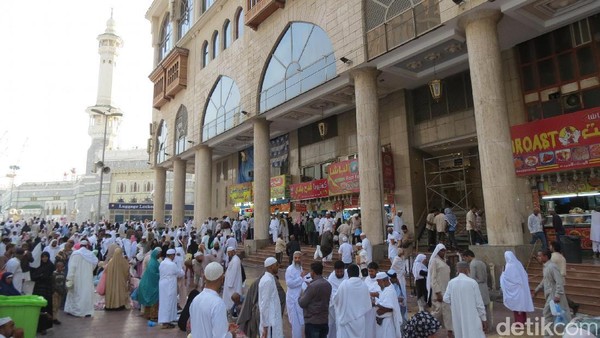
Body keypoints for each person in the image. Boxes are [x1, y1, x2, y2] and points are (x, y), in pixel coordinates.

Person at [189, 262, 238, 338]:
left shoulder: (196, 300)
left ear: (205, 278)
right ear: (222, 279)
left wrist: (225, 325)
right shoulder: (218, 303)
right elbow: (221, 336)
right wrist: (232, 334)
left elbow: (201, 325)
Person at [444, 261, 487, 338]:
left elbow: (446, 298)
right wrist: (483, 318)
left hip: (457, 316)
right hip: (472, 316)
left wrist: (456, 302)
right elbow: (479, 303)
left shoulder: (451, 283)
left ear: (457, 270)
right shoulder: (472, 282)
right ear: (467, 270)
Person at [533, 249, 572, 330]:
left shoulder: (552, 266)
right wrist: (536, 290)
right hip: (549, 294)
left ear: (546, 257)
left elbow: (559, 281)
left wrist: (557, 295)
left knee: (547, 313)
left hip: (553, 294)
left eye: (540, 256)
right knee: (560, 315)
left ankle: (548, 335)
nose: (538, 258)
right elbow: (544, 281)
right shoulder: (546, 267)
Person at [333, 264, 371, 337]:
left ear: (348, 273)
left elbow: (336, 299)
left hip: (346, 320)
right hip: (360, 320)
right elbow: (367, 304)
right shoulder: (364, 285)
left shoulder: (344, 284)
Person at [64, 240, 98, 317]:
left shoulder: (75, 254)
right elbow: (94, 264)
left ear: (80, 246)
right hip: (87, 278)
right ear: (87, 246)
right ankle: (86, 311)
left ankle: (74, 311)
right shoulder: (91, 255)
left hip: (77, 278)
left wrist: (69, 278)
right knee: (85, 294)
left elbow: (71, 268)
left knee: (76, 293)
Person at [500, 251, 534, 325]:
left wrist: (502, 274)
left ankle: (519, 323)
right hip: (521, 289)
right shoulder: (518, 263)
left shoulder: (509, 265)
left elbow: (508, 279)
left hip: (515, 290)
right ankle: (523, 321)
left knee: (517, 306)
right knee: (522, 305)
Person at [299, 262, 332, 338]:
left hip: (313, 323)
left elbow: (302, 303)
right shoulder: (328, 285)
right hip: (324, 321)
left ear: (313, 272)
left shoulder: (312, 286)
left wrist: (301, 295)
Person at [462, 250, 491, 329]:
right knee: (486, 308)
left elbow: (472, 278)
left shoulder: (473, 264)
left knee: (479, 308)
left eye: (465, 258)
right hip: (484, 287)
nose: (465, 260)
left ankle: (482, 326)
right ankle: (489, 326)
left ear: (468, 256)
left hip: (478, 287)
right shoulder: (482, 262)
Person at [427, 243, 452, 336]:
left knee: (447, 311)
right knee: (438, 310)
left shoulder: (444, 261)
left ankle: (449, 331)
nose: (443, 252)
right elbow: (433, 278)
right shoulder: (434, 261)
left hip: (446, 290)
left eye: (444, 250)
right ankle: (428, 326)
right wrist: (438, 292)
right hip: (439, 291)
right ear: (437, 251)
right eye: (441, 250)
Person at [549, 241, 579, 315]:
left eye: (550, 246)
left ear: (553, 247)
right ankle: (573, 305)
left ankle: (569, 309)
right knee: (561, 296)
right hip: (560, 279)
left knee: (558, 296)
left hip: (555, 280)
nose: (549, 247)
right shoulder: (562, 257)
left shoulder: (552, 257)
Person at [158, 248, 184, 329]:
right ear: (172, 255)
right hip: (169, 285)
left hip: (162, 285)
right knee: (169, 302)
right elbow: (180, 273)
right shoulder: (172, 265)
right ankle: (166, 322)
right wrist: (181, 267)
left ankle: (166, 321)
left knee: (163, 302)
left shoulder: (162, 263)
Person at [259, 257, 284, 338]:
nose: (278, 267)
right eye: (276, 265)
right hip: (270, 323)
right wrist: (265, 326)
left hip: (273, 320)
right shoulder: (267, 281)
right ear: (271, 267)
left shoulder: (270, 278)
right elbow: (264, 304)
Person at [31, 251, 54, 334]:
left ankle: (44, 327)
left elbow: (47, 277)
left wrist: (40, 276)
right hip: (38, 290)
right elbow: (33, 277)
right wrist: (40, 276)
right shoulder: (38, 266)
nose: (44, 258)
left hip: (47, 290)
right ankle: (37, 327)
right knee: (38, 308)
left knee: (45, 308)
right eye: (43, 257)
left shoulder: (51, 266)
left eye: (46, 257)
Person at [374, 272, 403, 338]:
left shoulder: (390, 291)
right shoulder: (386, 290)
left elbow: (389, 308)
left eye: (378, 282)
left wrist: (376, 304)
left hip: (387, 323)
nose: (378, 284)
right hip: (382, 322)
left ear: (383, 281)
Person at [137, 247, 161, 320]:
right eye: (159, 254)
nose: (159, 255)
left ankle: (148, 314)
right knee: (153, 298)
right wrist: (162, 274)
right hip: (151, 284)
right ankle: (152, 315)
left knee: (149, 298)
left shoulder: (154, 261)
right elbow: (153, 274)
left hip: (149, 282)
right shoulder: (153, 263)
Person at [285, 252, 305, 338]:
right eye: (295, 258)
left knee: (300, 324)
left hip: (299, 299)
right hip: (292, 300)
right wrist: (301, 278)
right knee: (295, 325)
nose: (297, 260)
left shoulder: (300, 268)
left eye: (299, 258)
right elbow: (289, 283)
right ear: (293, 259)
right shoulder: (290, 269)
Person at [327, 260, 348, 337]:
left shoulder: (347, 275)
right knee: (331, 325)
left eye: (341, 272)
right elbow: (331, 292)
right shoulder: (331, 278)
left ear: (344, 269)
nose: (339, 273)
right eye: (337, 272)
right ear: (334, 270)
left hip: (345, 306)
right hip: (333, 306)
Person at [223, 247, 243, 311]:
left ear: (233, 252)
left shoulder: (235, 260)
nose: (228, 254)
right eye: (228, 253)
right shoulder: (234, 259)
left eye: (229, 253)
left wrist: (230, 283)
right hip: (232, 282)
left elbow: (233, 272)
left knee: (231, 296)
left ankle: (231, 308)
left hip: (233, 283)